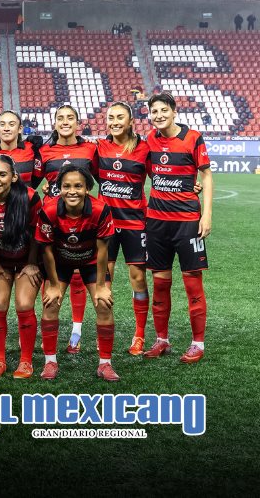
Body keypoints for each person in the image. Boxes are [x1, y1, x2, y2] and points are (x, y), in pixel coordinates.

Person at [143, 92, 212, 363]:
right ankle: (162, 340)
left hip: (187, 223)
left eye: (163, 110)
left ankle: (198, 344)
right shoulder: (149, 139)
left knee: (192, 284)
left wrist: (206, 215)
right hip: (157, 223)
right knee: (160, 284)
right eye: (154, 112)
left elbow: (206, 175)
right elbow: (153, 172)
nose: (158, 116)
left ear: (174, 111)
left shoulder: (192, 138)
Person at [35, 164, 119, 381]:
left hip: (91, 260)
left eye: (78, 186)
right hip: (60, 261)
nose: (72, 191)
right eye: (66, 186)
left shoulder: (101, 210)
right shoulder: (49, 210)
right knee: (50, 303)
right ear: (59, 189)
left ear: (87, 189)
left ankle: (105, 364)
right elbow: (46, 250)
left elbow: (102, 251)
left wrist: (101, 286)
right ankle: (50, 362)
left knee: (103, 304)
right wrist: (53, 284)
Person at [34, 105, 98, 354]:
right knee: (50, 277)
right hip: (52, 223)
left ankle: (76, 332)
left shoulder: (90, 150)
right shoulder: (44, 151)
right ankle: (48, 331)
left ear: (77, 122)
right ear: (54, 123)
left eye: (70, 117)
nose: (65, 121)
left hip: (82, 223)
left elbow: (107, 180)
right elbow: (30, 181)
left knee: (78, 277)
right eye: (60, 118)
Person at [0, 155, 43, 378]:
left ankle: (26, 362)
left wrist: (33, 263)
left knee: (24, 305)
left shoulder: (30, 197)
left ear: (14, 177)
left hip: (27, 260)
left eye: (2, 174)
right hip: (0, 261)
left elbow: (36, 233)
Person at [96, 102, 151, 355]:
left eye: (120, 117)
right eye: (111, 117)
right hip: (106, 224)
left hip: (134, 222)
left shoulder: (143, 148)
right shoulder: (100, 147)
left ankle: (139, 335)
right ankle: (104, 334)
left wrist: (190, 187)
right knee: (104, 279)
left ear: (130, 121)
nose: (115, 121)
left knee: (138, 278)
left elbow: (161, 178)